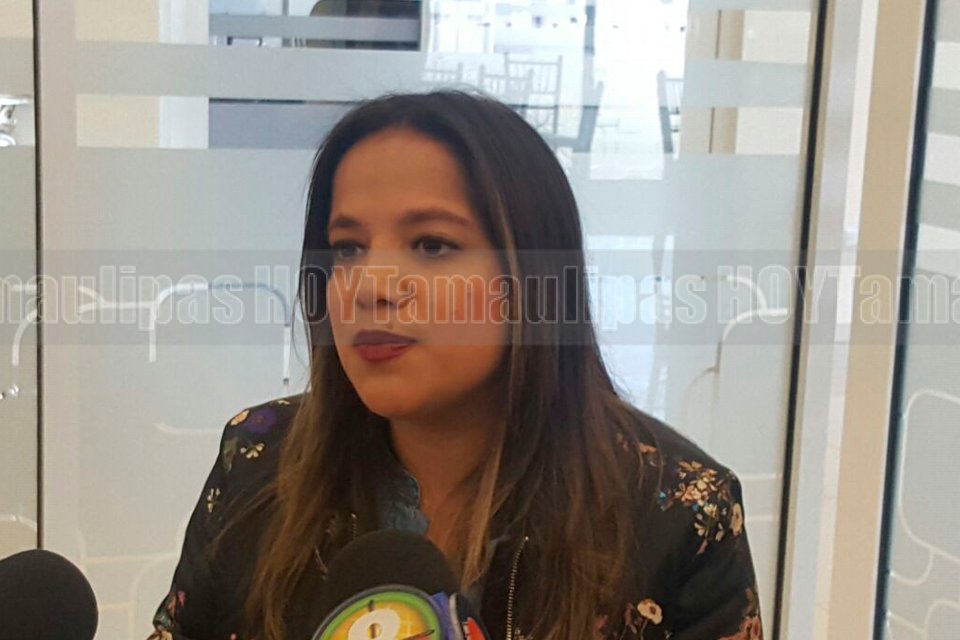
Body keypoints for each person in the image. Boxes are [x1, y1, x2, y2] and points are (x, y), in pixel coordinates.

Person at [149, 91, 763, 640]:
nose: (371, 286)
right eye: (347, 248)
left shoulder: (678, 511)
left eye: (432, 245)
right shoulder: (259, 460)